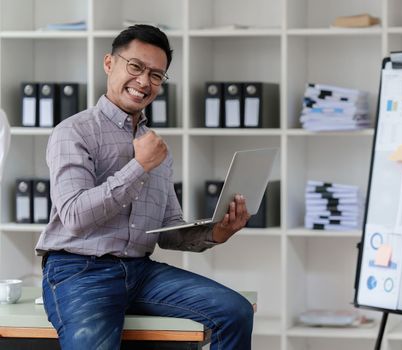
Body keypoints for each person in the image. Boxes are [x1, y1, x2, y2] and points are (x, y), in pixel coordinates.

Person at [35, 24, 254, 350]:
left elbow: (165, 231)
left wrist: (216, 233)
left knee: (234, 312)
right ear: (110, 63)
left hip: (140, 270)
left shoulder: (155, 148)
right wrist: (139, 166)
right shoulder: (75, 132)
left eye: (156, 75)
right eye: (136, 67)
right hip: (79, 270)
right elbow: (75, 215)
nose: (143, 82)